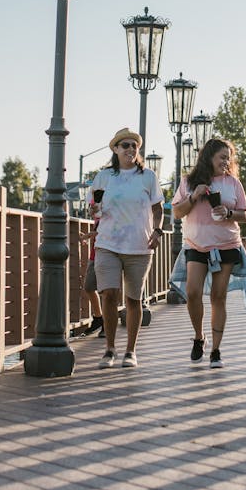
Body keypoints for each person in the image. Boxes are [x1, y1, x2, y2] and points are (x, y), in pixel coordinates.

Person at [172, 137, 246, 369]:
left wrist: (228, 212)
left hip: (226, 244)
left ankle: (216, 350)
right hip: (196, 244)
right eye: (222, 157)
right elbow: (177, 212)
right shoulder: (188, 182)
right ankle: (199, 337)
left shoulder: (232, 183)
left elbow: (244, 214)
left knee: (218, 296)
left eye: (229, 158)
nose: (226, 162)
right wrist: (194, 196)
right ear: (209, 158)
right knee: (193, 292)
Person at [89, 128, 164, 369]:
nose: (131, 149)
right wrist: (93, 212)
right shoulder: (104, 177)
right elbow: (94, 207)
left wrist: (158, 230)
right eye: (126, 145)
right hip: (107, 243)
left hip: (139, 246)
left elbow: (157, 208)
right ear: (116, 149)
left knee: (133, 299)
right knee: (108, 294)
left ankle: (130, 351)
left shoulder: (148, 177)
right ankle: (109, 349)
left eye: (134, 145)